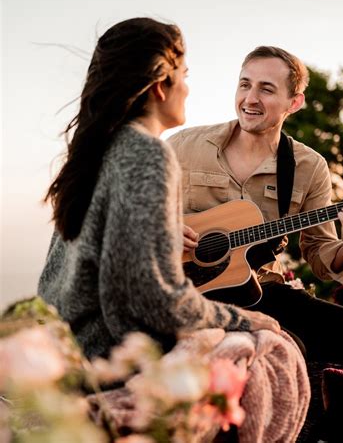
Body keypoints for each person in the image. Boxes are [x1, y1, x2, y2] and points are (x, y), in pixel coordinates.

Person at [168, 46, 343, 441]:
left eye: (266, 89)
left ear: (294, 102)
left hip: (261, 291)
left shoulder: (308, 166)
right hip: (180, 291)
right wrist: (160, 227)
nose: (250, 98)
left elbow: (319, 253)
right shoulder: (183, 146)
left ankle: (326, 434)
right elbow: (128, 209)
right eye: (245, 84)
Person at [37, 18, 279, 362]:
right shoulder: (147, 153)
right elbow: (154, 300)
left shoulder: (96, 151)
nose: (188, 88)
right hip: (111, 361)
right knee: (276, 351)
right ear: (160, 86)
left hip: (70, 351)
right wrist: (243, 319)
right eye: (184, 75)